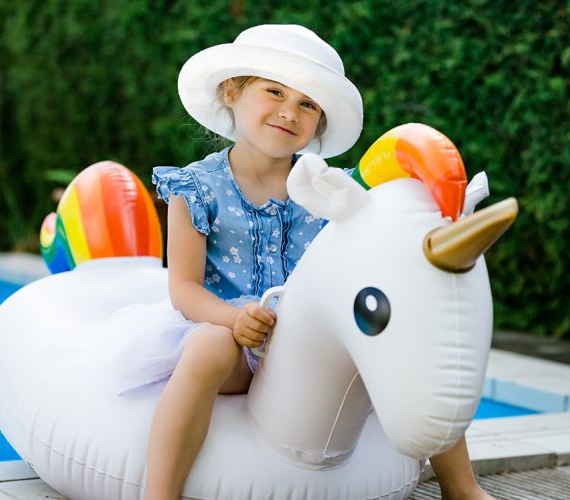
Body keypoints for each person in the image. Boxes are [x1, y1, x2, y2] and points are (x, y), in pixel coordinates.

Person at [115, 24, 492, 500]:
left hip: (312, 342)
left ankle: (462, 488)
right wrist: (234, 319)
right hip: (234, 338)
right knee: (208, 347)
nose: (289, 112)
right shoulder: (195, 187)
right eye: (274, 92)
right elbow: (184, 290)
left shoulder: (334, 191)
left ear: (319, 123)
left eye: (307, 104)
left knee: (400, 340)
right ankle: (160, 494)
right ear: (231, 91)